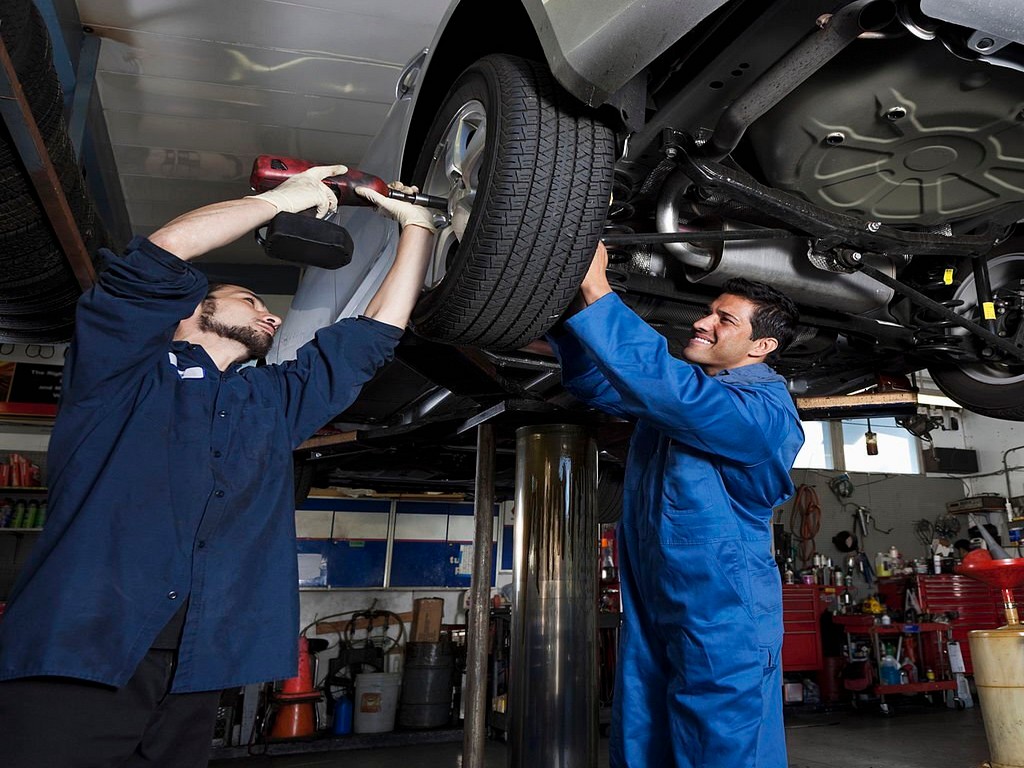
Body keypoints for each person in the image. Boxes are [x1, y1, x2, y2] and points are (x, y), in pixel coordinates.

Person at [0, 164, 436, 767]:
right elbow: (164, 252)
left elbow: (369, 340)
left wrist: (419, 227)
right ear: (188, 311)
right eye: (252, 299)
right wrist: (280, 201)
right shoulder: (120, 372)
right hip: (79, 648)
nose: (274, 316)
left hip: (200, 664)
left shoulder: (268, 401)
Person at [547, 242, 805, 768]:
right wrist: (562, 305)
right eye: (709, 310)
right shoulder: (684, 399)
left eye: (725, 319)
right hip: (657, 603)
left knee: (721, 748)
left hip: (724, 617)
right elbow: (602, 381)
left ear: (762, 346)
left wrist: (599, 288)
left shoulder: (762, 413)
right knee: (646, 737)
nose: (703, 322)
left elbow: (675, 395)